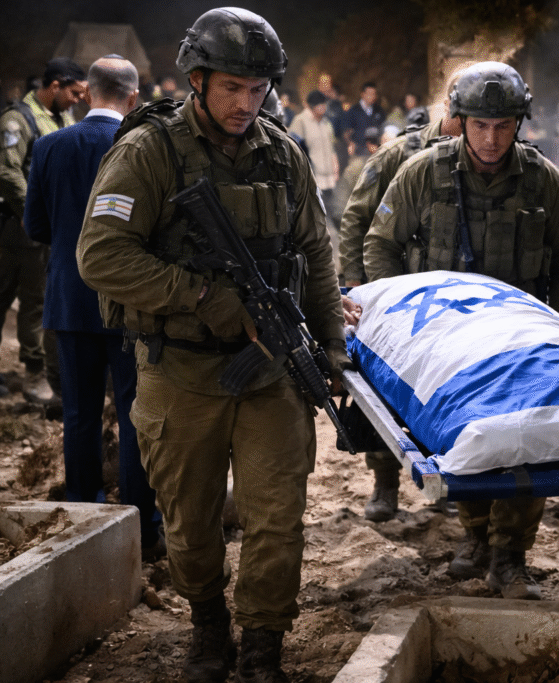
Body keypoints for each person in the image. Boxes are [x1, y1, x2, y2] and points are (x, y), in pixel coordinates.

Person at [76, 9, 350, 682]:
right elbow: (100, 255)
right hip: (181, 374)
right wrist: (205, 296)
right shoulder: (150, 152)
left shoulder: (282, 153)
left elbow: (316, 255)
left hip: (270, 375)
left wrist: (332, 352)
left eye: (258, 89)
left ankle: (262, 645)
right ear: (197, 79)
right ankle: (207, 625)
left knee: (277, 520)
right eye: (232, 86)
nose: (245, 103)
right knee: (192, 523)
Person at [363, 61, 559, 599]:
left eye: (503, 126)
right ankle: (474, 534)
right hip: (449, 341)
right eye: (479, 125)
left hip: (521, 344)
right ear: (460, 120)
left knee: (529, 444)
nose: (490, 138)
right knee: (465, 440)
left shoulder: (543, 181)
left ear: (519, 124)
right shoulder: (423, 172)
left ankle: (511, 556)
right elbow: (379, 243)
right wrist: (403, 321)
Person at [23, 55, 163, 556]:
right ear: (132, 97)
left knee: (80, 413)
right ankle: (143, 527)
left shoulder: (48, 145)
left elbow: (34, 227)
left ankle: (84, 520)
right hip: (130, 301)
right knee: (134, 412)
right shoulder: (141, 145)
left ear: (87, 93)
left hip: (70, 298)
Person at [336, 76, 461, 522]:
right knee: (384, 399)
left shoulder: (484, 157)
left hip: (449, 307)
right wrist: (356, 289)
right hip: (391, 299)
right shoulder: (400, 154)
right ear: (448, 105)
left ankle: (447, 480)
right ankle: (385, 482)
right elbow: (355, 219)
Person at [0, 57, 87, 403]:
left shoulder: (63, 117)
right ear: (55, 86)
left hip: (47, 228)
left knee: (36, 299)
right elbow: (7, 172)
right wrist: (29, 210)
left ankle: (34, 371)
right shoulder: (17, 119)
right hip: (15, 226)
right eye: (75, 92)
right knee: (7, 296)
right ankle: (33, 374)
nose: (79, 99)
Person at [288, 90, 339, 227]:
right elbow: (292, 147)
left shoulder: (326, 122)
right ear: (311, 106)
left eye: (324, 104)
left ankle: (332, 244)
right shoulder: (301, 121)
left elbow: (331, 147)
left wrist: (335, 166)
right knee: (314, 218)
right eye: (319, 105)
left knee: (330, 214)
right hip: (312, 177)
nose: (323, 107)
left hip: (328, 178)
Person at [342, 81, 386, 159]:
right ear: (362, 94)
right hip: (358, 153)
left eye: (374, 94)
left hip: (376, 153)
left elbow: (383, 130)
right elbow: (346, 131)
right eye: (369, 94)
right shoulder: (353, 111)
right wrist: (350, 143)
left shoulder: (379, 111)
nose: (372, 96)